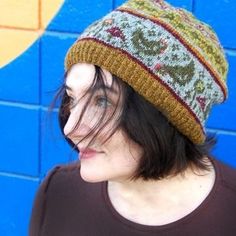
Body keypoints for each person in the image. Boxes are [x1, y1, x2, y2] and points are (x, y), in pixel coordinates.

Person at [29, 0, 236, 235]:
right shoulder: (58, 193)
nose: (71, 128)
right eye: (72, 99)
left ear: (167, 116)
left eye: (103, 101)